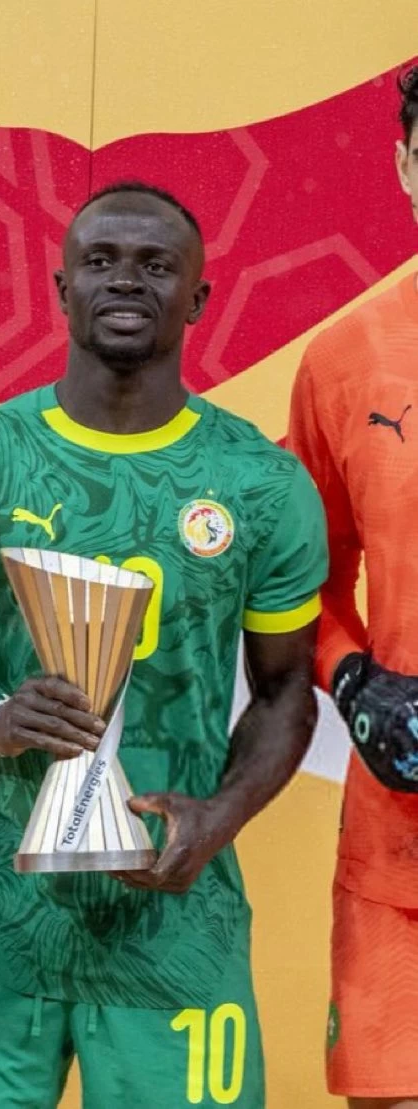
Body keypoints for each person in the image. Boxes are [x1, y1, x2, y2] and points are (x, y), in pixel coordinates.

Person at [0, 182, 327, 1108]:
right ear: (61, 286)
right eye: (100, 261)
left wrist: (220, 817)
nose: (125, 280)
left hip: (171, 901)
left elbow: (284, 694)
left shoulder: (262, 484)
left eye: (156, 265)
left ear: (197, 298)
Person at [287, 63, 418, 1109]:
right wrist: (351, 679)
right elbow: (299, 584)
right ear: (405, 167)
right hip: (399, 833)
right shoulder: (342, 357)